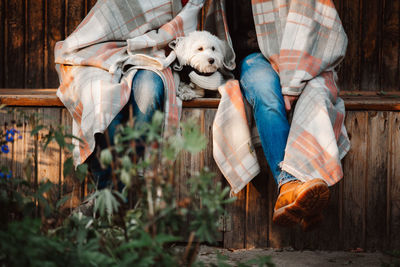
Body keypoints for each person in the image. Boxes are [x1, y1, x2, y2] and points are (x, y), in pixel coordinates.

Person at [232, 0, 350, 230]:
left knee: (316, 96)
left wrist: (292, 81)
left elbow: (311, 21)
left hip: (296, 55)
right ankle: (289, 184)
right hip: (255, 57)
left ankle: (298, 200)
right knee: (266, 91)